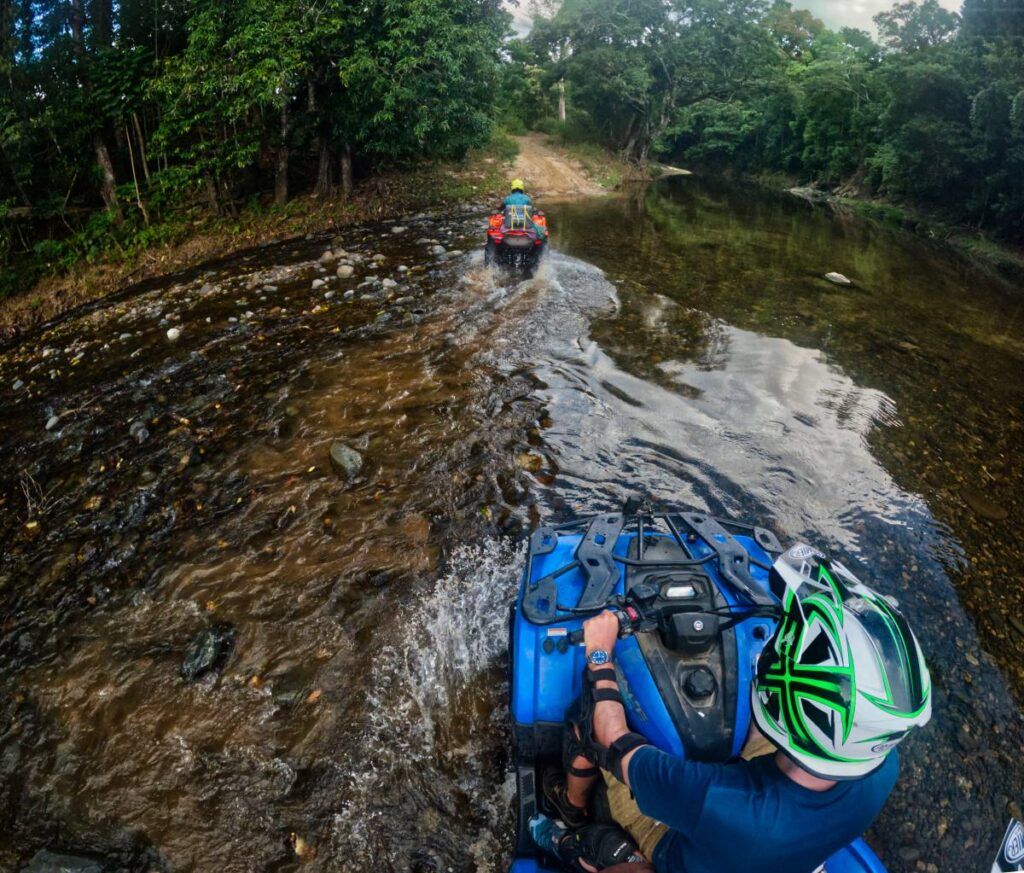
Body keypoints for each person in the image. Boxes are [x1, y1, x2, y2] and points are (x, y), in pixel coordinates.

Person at [531, 544, 933, 873]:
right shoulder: (882, 767)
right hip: (783, 853)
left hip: (690, 850)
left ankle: (569, 818)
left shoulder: (719, 801)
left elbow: (614, 741)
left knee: (591, 731)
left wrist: (600, 653)